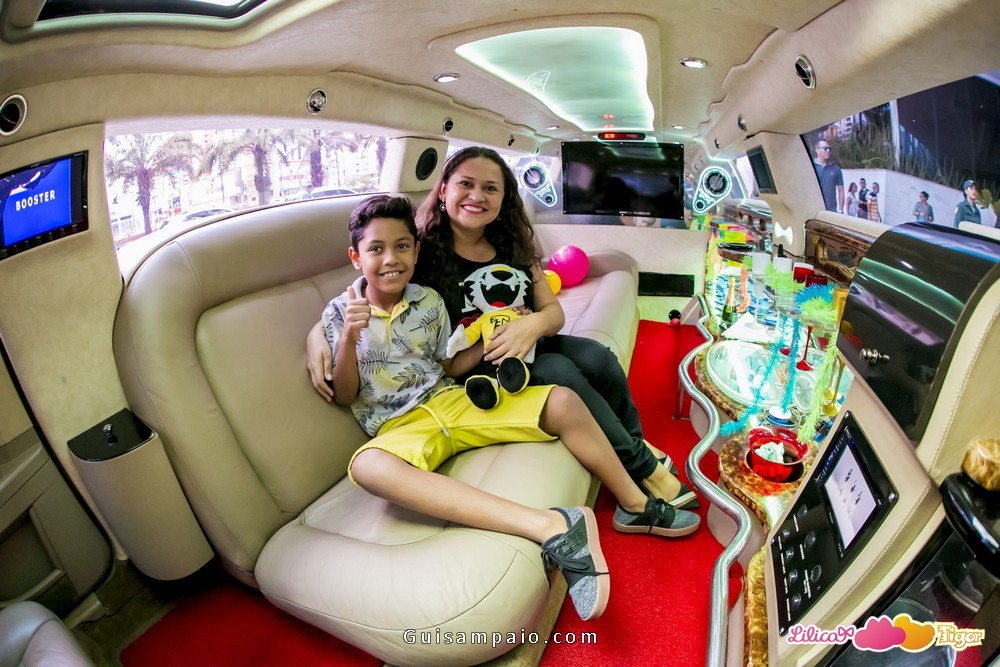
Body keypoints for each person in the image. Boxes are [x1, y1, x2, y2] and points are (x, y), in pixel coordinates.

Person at [322, 194, 700, 622]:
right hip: (401, 426)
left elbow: (448, 365)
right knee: (368, 467)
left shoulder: (428, 300)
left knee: (562, 397)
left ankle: (633, 504)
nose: (391, 259)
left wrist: (495, 334)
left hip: (450, 398)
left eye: (402, 246)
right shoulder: (338, 314)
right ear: (356, 257)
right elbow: (345, 394)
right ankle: (552, 527)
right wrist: (348, 338)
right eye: (376, 249)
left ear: (415, 250)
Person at [308, 147, 698, 510]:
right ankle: (644, 468)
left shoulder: (512, 243)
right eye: (466, 183)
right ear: (443, 190)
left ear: (503, 197)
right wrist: (316, 338)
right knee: (560, 372)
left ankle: (632, 446)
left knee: (599, 358)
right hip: (479, 364)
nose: (477, 196)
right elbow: (373, 291)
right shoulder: (421, 250)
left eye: (490, 188)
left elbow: (553, 312)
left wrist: (534, 324)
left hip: (528, 342)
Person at [812, 139, 844, 213]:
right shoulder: (810, 167)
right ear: (817, 150)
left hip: (830, 211)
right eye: (825, 148)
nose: (828, 150)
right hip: (814, 210)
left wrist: (840, 210)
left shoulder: (835, 169)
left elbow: (841, 190)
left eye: (829, 148)